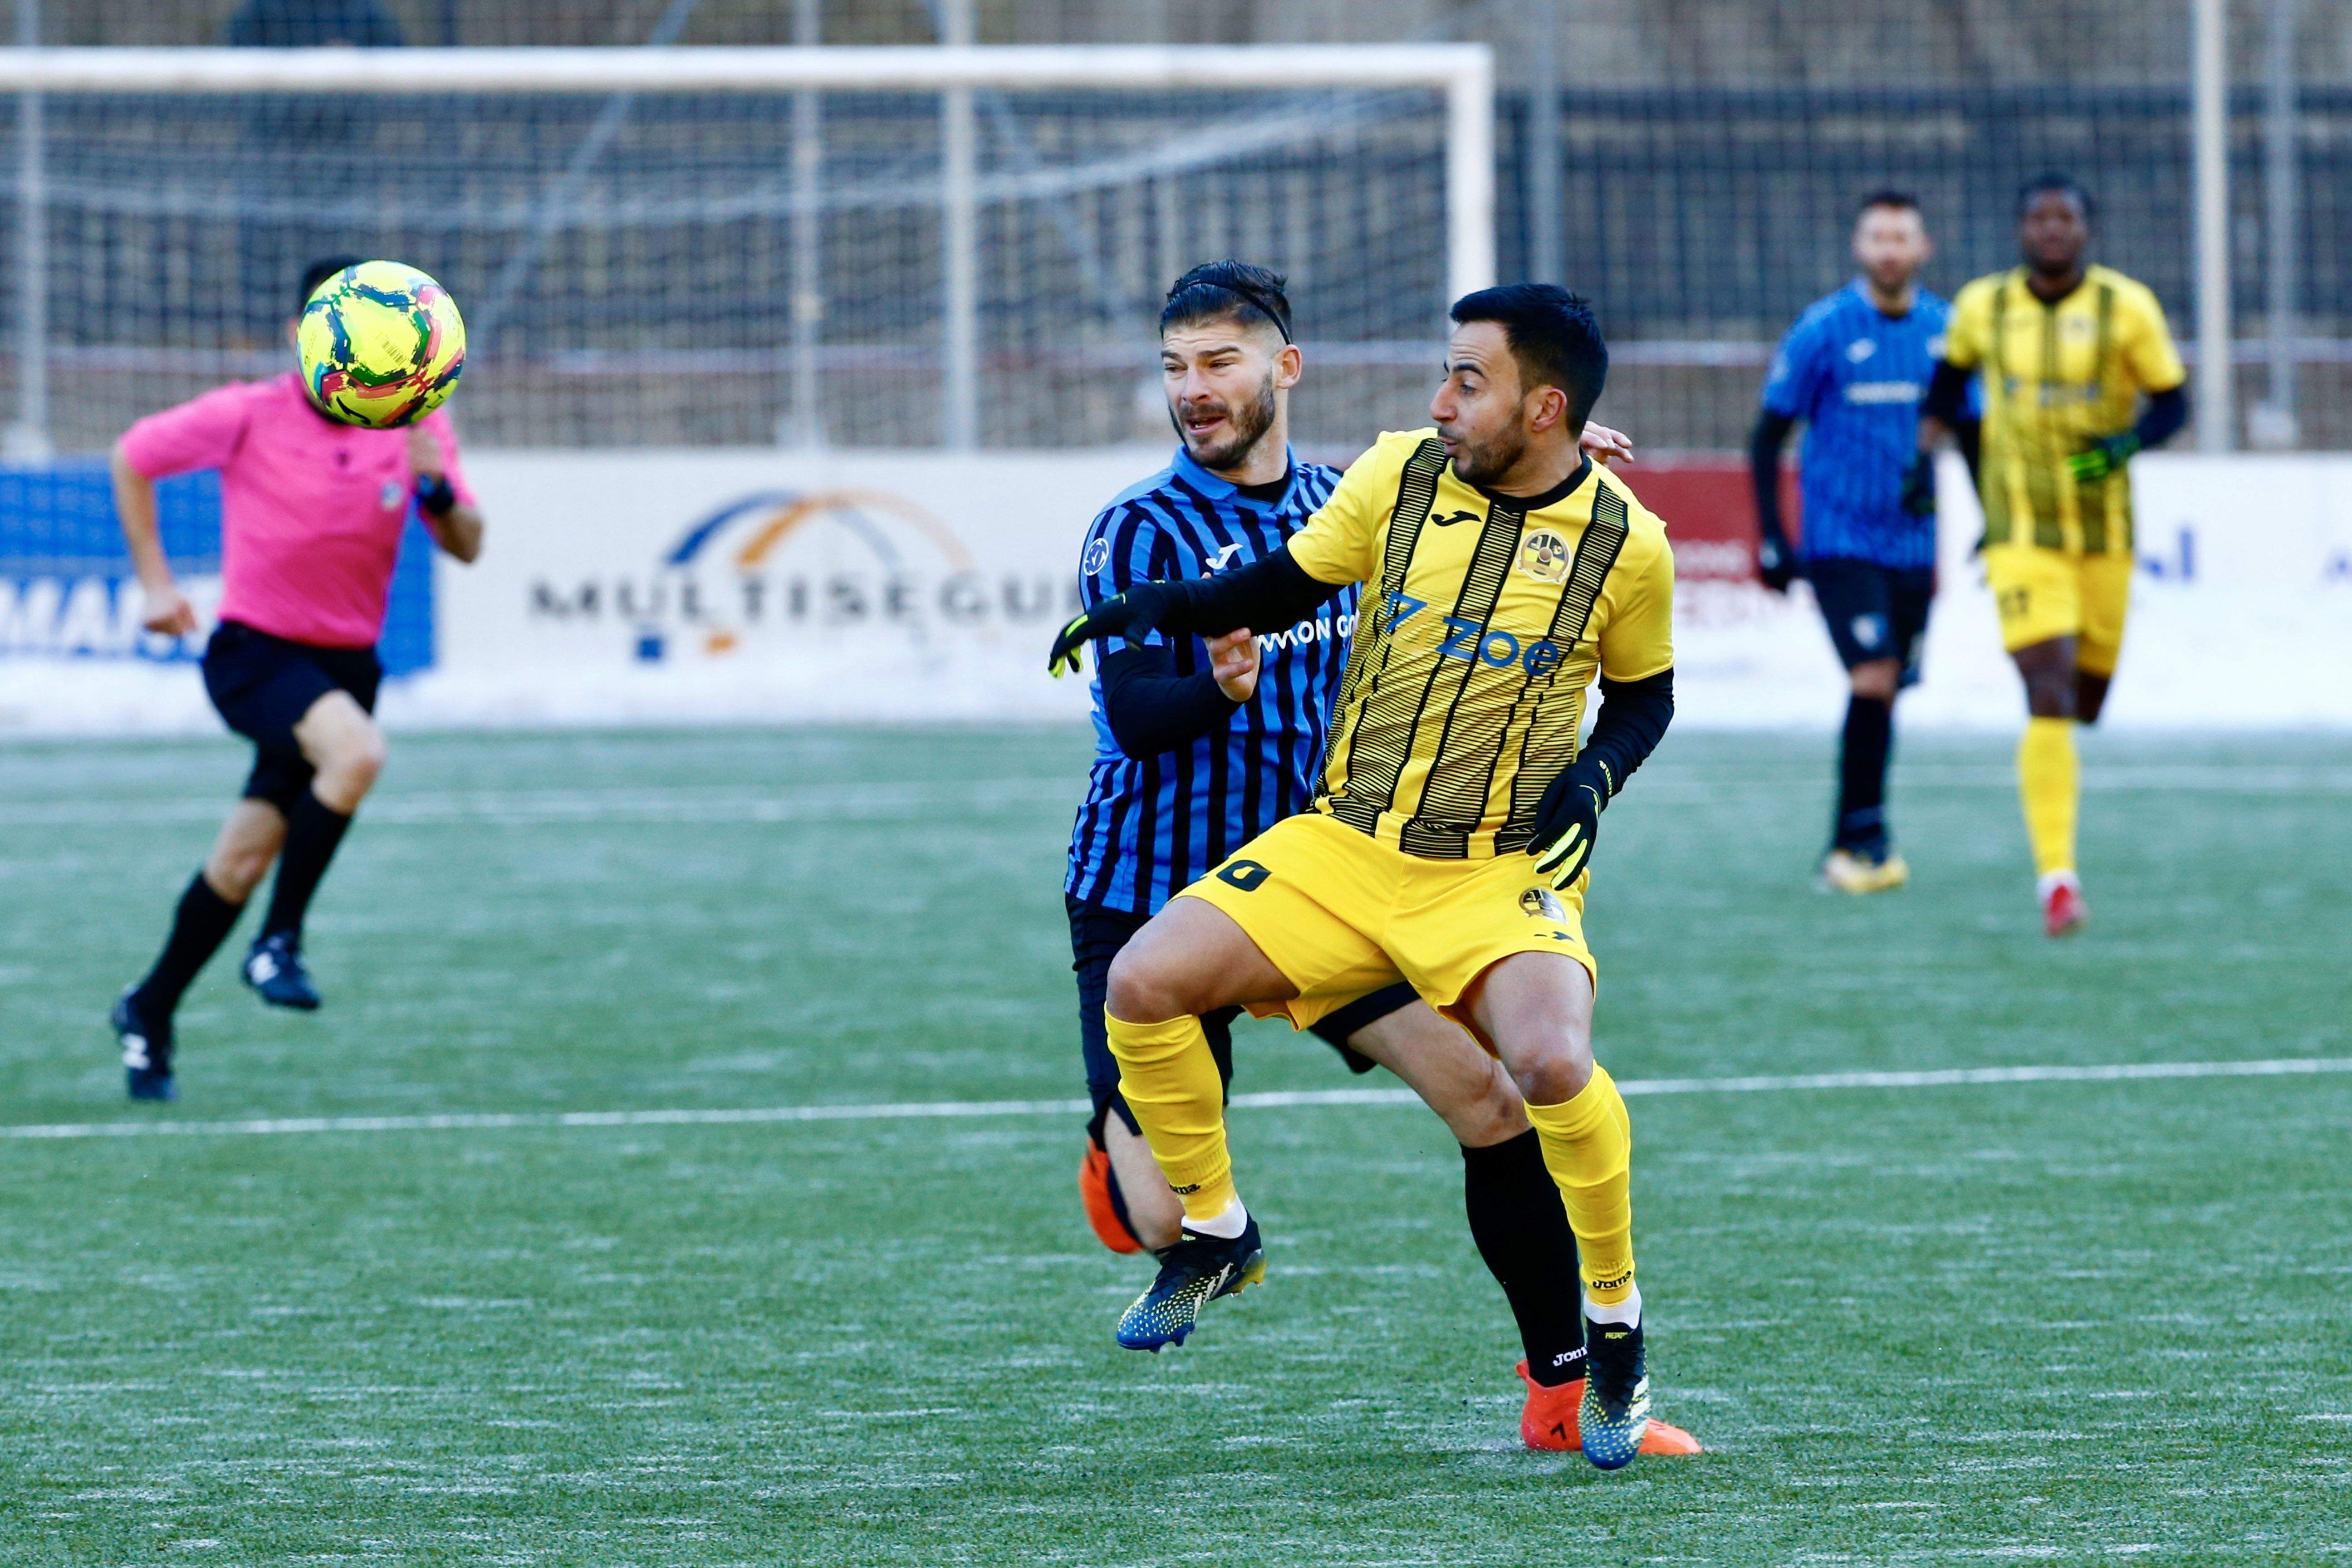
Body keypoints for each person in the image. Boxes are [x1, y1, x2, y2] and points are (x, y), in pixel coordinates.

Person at [1064, 261, 1694, 1458]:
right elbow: (1146, 710)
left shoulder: (1390, 482)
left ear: (1283, 370)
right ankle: (1185, 1213)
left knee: (1505, 1092)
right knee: (1156, 1185)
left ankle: (1577, 1376)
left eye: (1218, 363)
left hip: (1383, 870)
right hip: (1166, 872)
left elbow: (1632, 679)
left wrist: (1549, 457)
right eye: (1176, 368)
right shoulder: (1149, 527)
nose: (1194, 390)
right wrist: (1188, 645)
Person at [108, 256, 485, 1101]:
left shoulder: (416, 420)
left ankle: (148, 1007)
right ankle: (279, 941)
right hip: (256, 653)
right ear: (301, 335)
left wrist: (434, 487)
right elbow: (132, 457)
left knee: (240, 862)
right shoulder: (248, 411)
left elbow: (468, 544)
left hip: (346, 665)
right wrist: (157, 585)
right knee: (359, 755)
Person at [1918, 176, 2187, 936]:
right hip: (2020, 534)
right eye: (2038, 217)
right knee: (2047, 686)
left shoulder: (2127, 307)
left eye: (2065, 216)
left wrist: (2123, 446)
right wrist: (1920, 459)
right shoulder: (1983, 306)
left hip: (2104, 537)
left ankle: (2058, 832)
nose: (2052, 228)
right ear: (2020, 229)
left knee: (2084, 701)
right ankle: (2058, 879)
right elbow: (1946, 391)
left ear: (2086, 230)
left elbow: (2174, 402)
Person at [1752, 191, 1956, 894]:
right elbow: (1768, 435)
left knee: (1889, 687)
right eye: (1878, 236)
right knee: (1873, 675)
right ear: (1859, 247)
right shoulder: (1824, 329)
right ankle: (1856, 840)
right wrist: (1774, 537)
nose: (1889, 249)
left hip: (1916, 544)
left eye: (1902, 237)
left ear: (1923, 248)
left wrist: (1997, 521)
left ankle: (1861, 837)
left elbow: (1975, 429)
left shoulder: (1947, 330)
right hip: (1839, 538)